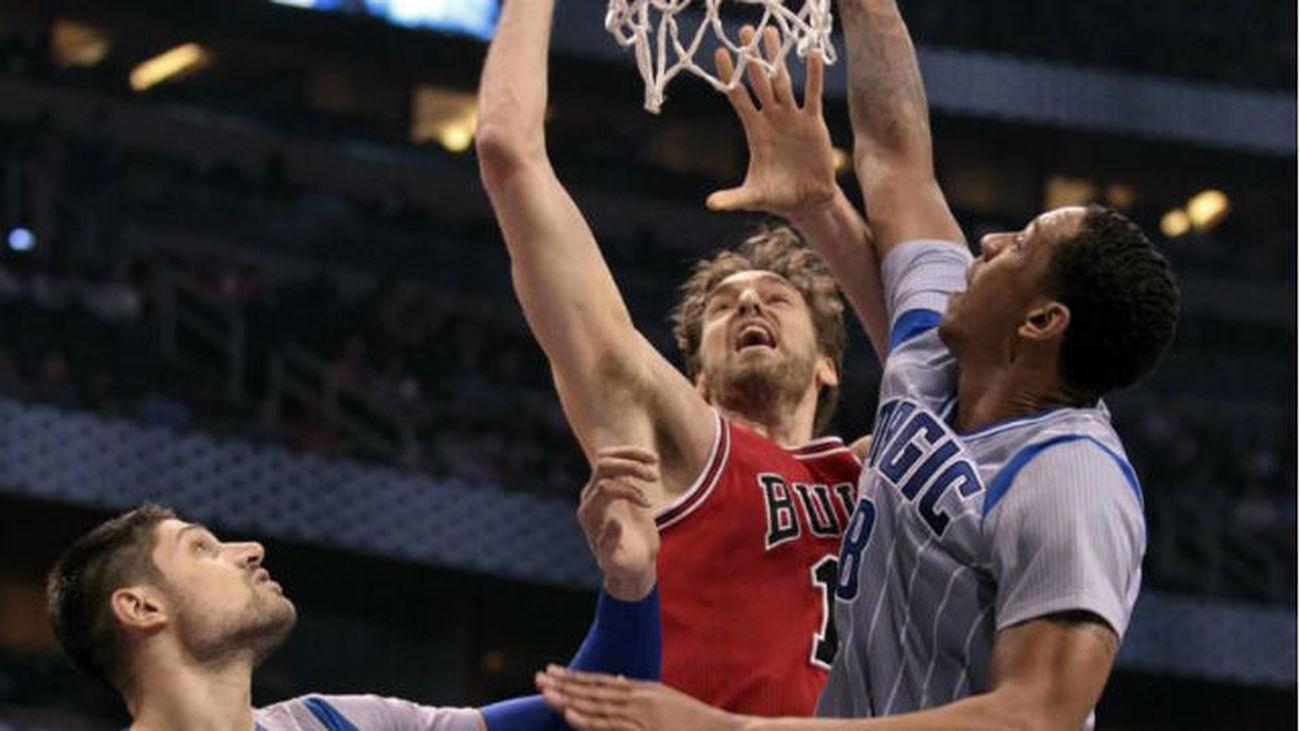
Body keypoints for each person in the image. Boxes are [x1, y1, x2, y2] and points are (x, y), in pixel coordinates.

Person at [533, 0, 1181, 728]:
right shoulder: (943, 351)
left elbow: (1036, 716)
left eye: (1022, 245)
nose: (991, 241)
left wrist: (734, 727)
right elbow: (899, 161)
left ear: (1039, 321)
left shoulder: (1071, 481)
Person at [475, 0, 889, 716]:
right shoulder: (683, 442)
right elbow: (508, 154)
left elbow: (963, 361)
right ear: (697, 377)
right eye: (726, 305)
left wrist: (824, 206)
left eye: (775, 298)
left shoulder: (881, 473)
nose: (750, 305)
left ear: (828, 363)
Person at [46, 447, 662, 731]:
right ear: (141, 606)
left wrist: (629, 584)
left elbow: (587, 716)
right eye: (202, 548)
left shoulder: (345, 722)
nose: (250, 549)